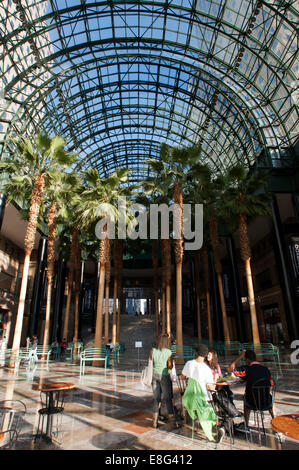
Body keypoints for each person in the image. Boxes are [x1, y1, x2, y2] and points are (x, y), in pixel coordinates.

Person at [181, 343, 225, 443]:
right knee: (212, 408)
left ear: (196, 353)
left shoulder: (189, 363)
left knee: (205, 408)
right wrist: (215, 378)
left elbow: (182, 377)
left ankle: (199, 418)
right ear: (206, 355)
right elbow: (211, 388)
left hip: (189, 398)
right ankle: (217, 427)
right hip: (202, 399)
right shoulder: (206, 369)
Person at [228, 349, 275, 430]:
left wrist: (240, 356)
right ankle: (276, 422)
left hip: (252, 403)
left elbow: (230, 369)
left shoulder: (246, 369)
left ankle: (246, 425)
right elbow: (271, 385)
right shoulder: (266, 370)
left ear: (247, 359)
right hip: (266, 402)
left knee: (246, 397)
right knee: (271, 398)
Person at [149, 333, 179, 430]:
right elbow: (169, 366)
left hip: (154, 375)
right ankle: (173, 422)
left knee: (156, 399)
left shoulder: (153, 351)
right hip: (164, 375)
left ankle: (154, 421)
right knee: (168, 398)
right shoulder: (168, 352)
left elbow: (150, 362)